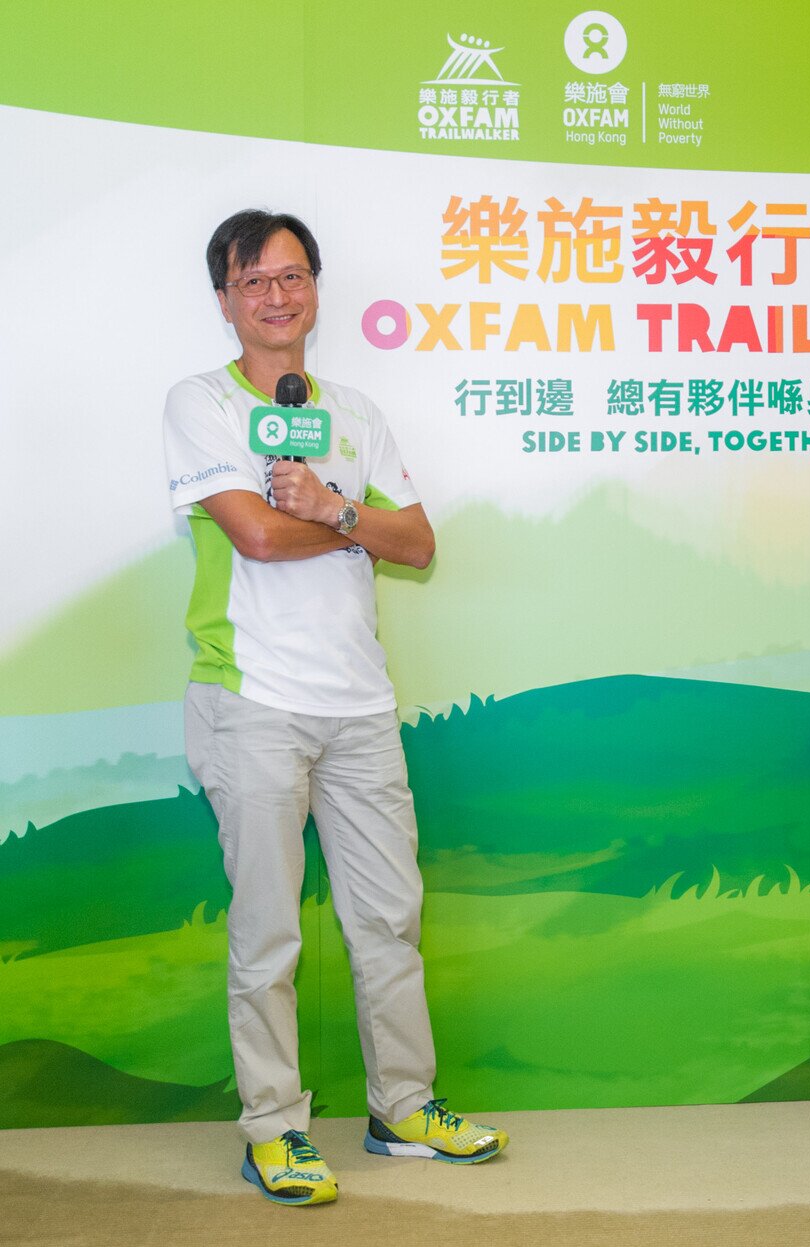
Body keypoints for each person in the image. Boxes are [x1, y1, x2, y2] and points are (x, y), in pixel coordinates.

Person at [163, 210, 506, 1207]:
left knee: (388, 918)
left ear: (315, 285)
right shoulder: (198, 404)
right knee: (269, 929)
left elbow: (420, 542)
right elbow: (256, 541)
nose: (276, 295)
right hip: (251, 699)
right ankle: (274, 1126)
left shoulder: (355, 411)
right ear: (225, 298)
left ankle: (404, 1105)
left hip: (360, 705)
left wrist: (335, 510)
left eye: (292, 274)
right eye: (253, 280)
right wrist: (342, 523)